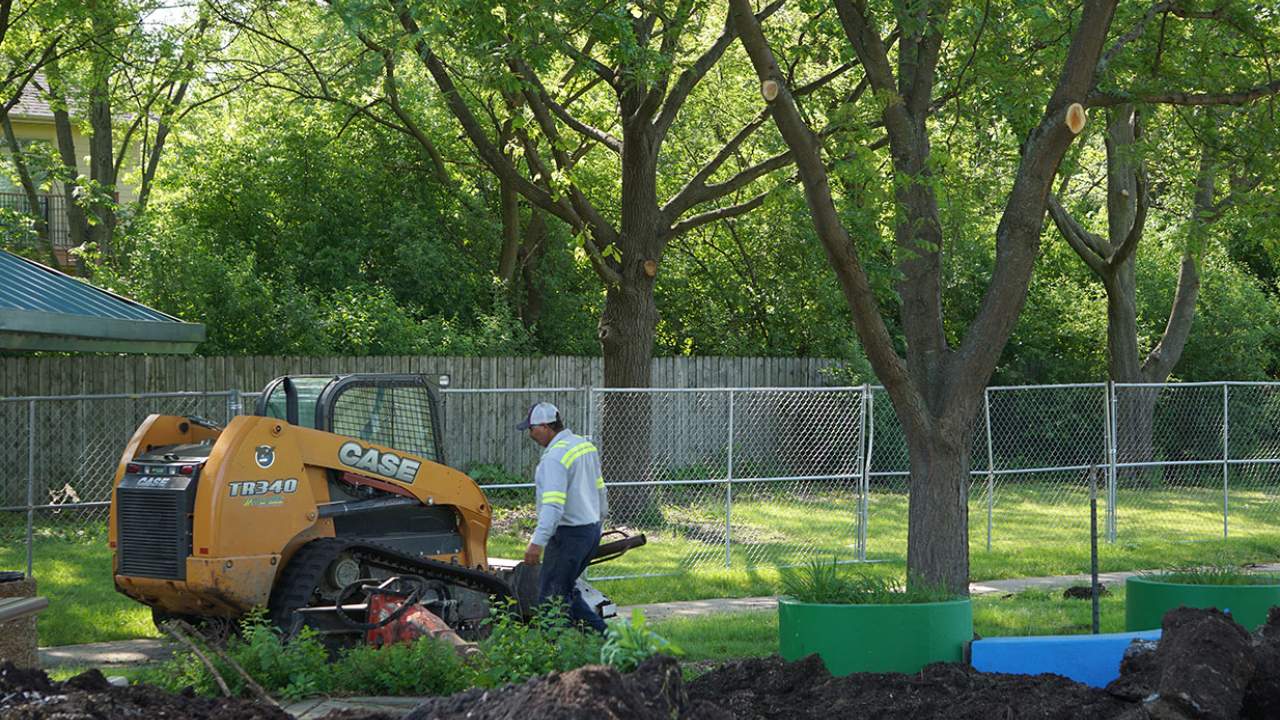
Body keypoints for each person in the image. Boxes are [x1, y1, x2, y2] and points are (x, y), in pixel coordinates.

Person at [517, 401, 609, 633]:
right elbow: (601, 490)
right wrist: (599, 524)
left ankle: (554, 652)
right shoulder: (584, 446)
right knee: (564, 592)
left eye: (532, 428)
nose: (530, 434)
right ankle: (605, 640)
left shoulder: (555, 458)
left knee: (551, 601)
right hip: (589, 531)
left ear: (546, 426)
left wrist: (536, 543)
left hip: (568, 536)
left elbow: (553, 506)